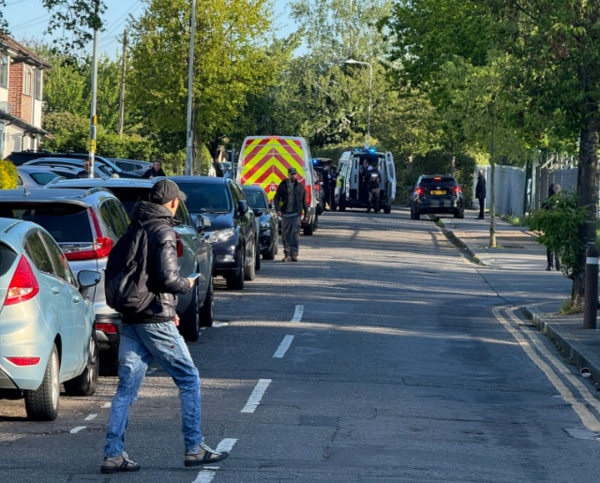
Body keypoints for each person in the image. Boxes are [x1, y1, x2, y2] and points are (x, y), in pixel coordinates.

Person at [101, 179, 229, 474]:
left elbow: (143, 277)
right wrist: (189, 283)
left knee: (125, 390)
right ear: (172, 203)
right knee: (189, 378)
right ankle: (194, 447)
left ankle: (113, 453)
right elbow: (167, 279)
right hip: (154, 318)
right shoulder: (164, 231)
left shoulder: (135, 227)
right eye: (177, 201)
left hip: (132, 316)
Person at [274, 167, 307, 262]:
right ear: (288, 175)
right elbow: (276, 198)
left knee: (295, 234)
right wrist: (278, 209)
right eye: (291, 174)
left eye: (294, 174)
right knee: (285, 234)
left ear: (296, 175)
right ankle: (287, 254)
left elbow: (304, 201)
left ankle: (294, 254)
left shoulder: (300, 186)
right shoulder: (283, 185)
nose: (293, 176)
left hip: (296, 214)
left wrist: (306, 214)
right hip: (286, 214)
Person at [543, 183, 562, 271]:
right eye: (556, 188)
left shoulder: (561, 202)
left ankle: (558, 262)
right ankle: (550, 264)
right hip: (550, 225)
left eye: (559, 188)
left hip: (559, 225)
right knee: (550, 245)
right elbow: (543, 213)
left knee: (558, 245)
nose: (558, 189)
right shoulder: (548, 201)